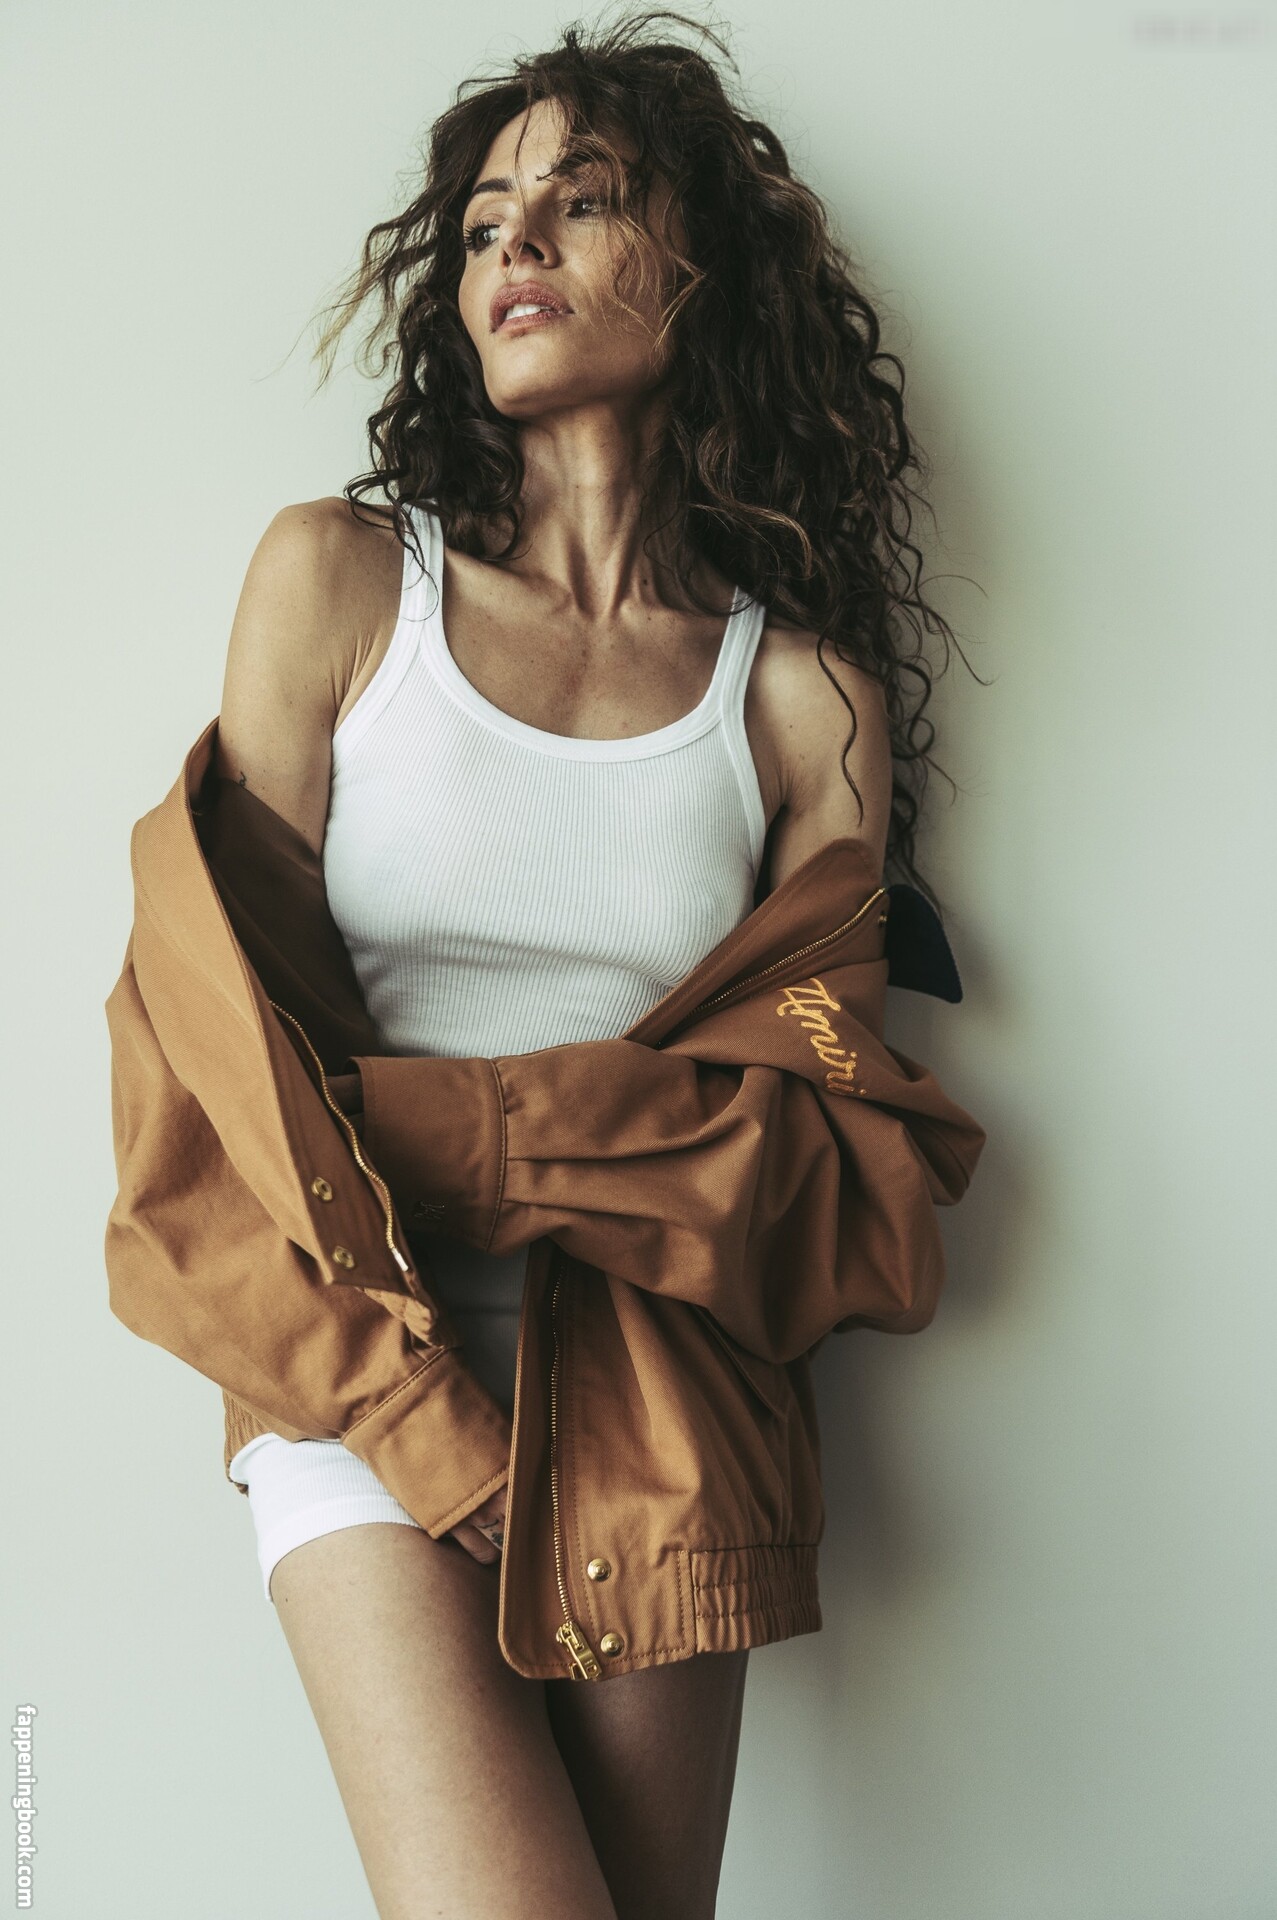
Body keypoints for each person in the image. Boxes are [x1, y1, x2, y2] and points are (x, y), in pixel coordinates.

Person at [159, 15, 979, 1917]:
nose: (512, 245)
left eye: (580, 199)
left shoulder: (804, 702)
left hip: (671, 1397)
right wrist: (422, 1395)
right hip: (354, 1357)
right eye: (480, 224)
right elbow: (209, 1059)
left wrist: (431, 1127)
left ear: (702, 268)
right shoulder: (338, 584)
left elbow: (816, 1143)